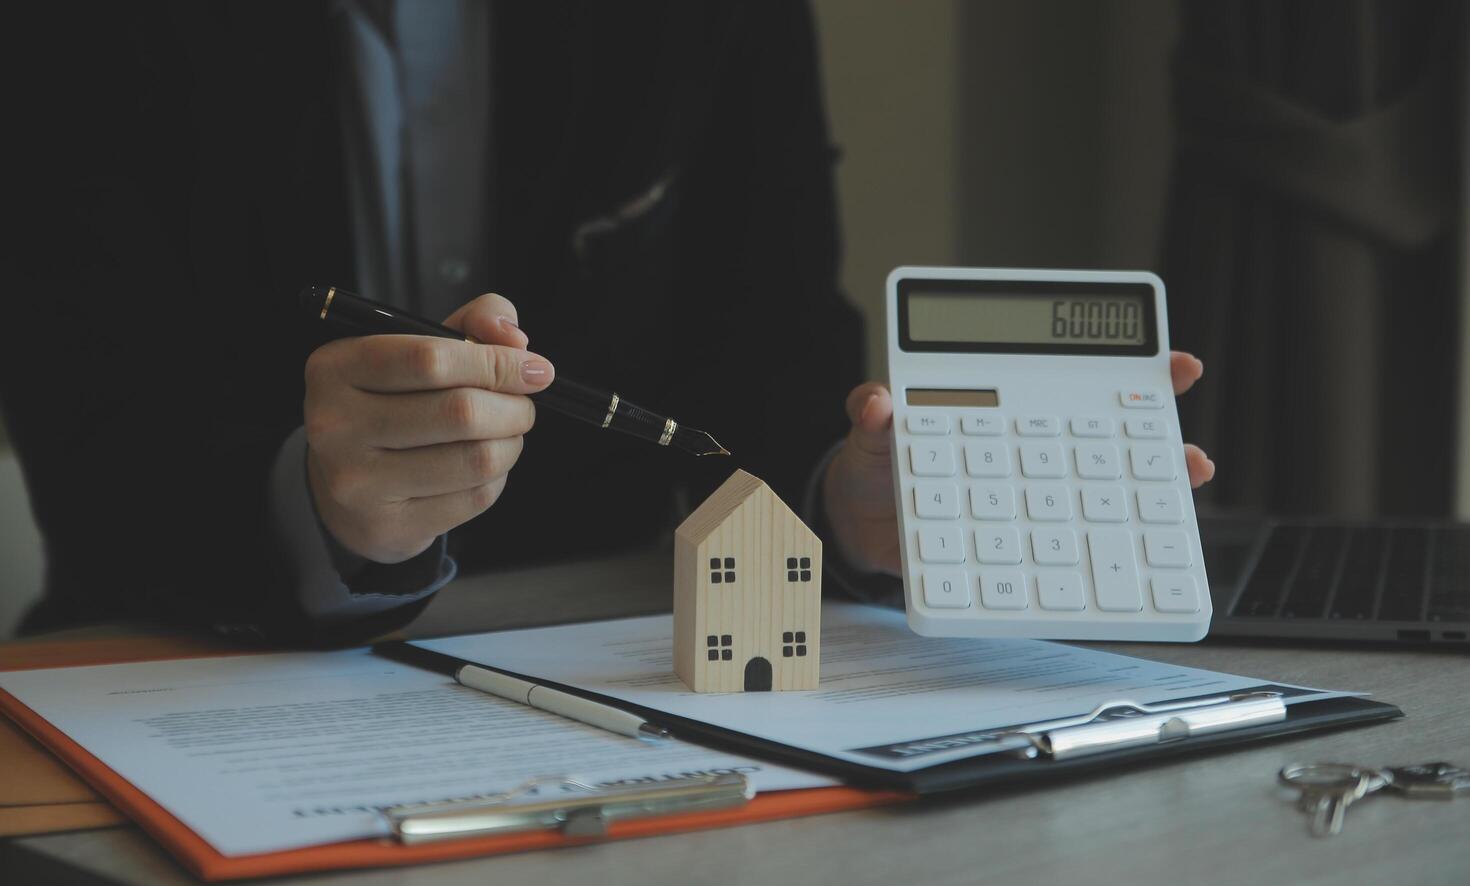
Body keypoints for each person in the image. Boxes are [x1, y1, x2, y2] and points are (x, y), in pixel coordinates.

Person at [5, 2, 1212, 641]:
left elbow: (767, 350)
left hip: (607, 646)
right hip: (185, 651)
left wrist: (847, 497)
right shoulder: (84, 26)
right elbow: (90, 427)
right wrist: (317, 507)